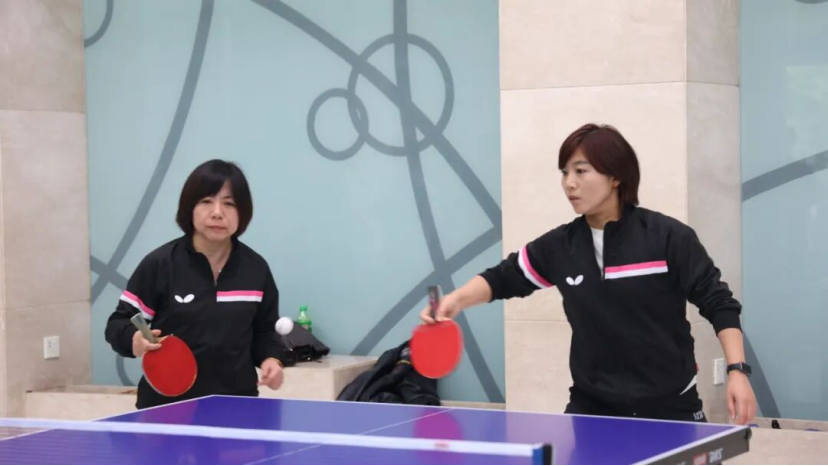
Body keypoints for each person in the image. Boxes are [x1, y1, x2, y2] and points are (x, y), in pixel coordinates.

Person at [421, 124, 757, 424]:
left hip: (671, 405)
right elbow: (502, 278)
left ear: (616, 177)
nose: (569, 183)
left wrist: (737, 371)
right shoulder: (560, 246)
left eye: (581, 171)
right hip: (593, 406)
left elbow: (719, 303)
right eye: (565, 172)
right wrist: (456, 301)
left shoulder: (668, 237)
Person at [106, 160, 287, 409]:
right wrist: (133, 339)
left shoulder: (256, 269)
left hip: (237, 405)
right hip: (167, 409)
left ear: (242, 212)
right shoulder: (160, 264)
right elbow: (118, 324)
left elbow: (265, 332)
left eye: (229, 203)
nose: (217, 212)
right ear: (189, 208)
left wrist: (271, 360)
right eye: (206, 201)